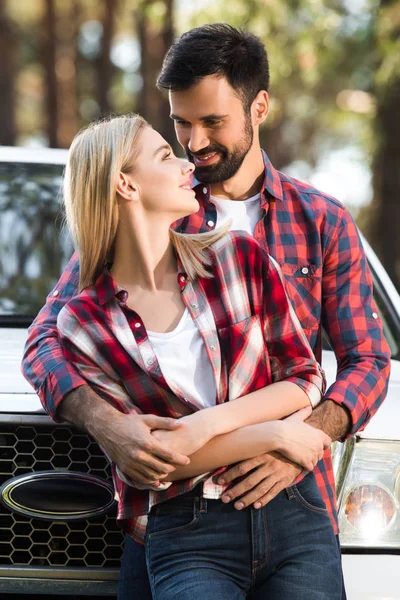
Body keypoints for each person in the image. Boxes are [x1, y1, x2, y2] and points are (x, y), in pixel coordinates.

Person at [21, 23, 390, 600]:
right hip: (172, 518)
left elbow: (366, 359)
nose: (194, 143)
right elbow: (45, 341)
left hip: (294, 499)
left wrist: (300, 444)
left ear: (258, 107)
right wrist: (110, 427)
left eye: (212, 122)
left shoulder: (321, 220)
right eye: (180, 124)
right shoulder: (153, 220)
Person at [56, 113, 338, 599]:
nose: (188, 164)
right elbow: (148, 463)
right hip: (188, 534)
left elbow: (304, 378)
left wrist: (204, 427)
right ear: (125, 183)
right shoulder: (84, 324)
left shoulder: (238, 257)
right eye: (165, 156)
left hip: (294, 511)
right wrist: (270, 433)